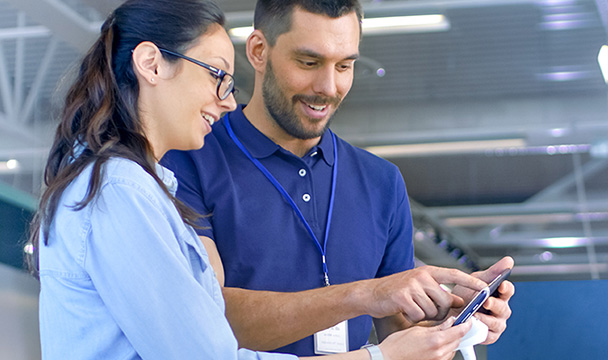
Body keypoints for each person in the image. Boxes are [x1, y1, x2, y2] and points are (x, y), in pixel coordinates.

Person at [27, 0, 479, 359]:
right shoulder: (127, 189)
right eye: (218, 76)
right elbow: (213, 344)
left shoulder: (138, 185)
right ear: (152, 64)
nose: (226, 100)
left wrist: (450, 329)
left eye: (345, 65)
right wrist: (375, 350)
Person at [161, 0, 516, 357]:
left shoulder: (381, 182)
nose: (328, 87)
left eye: (344, 65)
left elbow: (398, 331)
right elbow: (203, 318)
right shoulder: (186, 160)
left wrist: (450, 318)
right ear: (258, 51)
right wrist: (363, 294)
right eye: (309, 63)